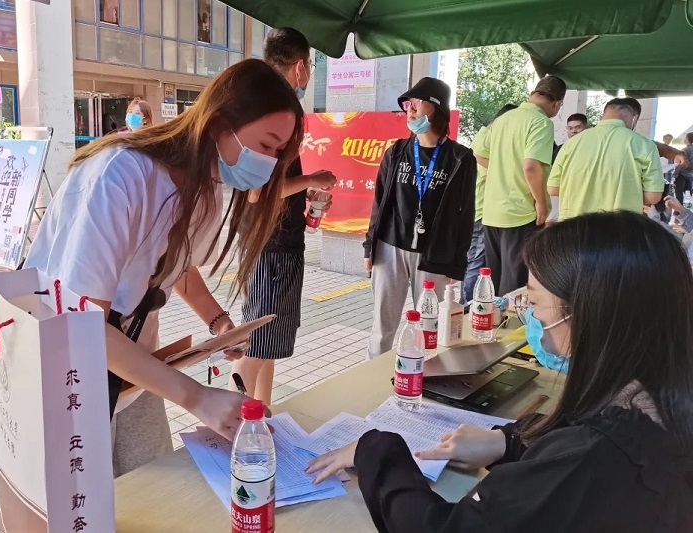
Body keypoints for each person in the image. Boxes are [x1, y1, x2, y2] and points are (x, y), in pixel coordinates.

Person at [307, 211, 693, 531]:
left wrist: (376, 450)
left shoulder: (590, 459)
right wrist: (507, 442)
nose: (530, 315)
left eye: (535, 301)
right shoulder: (660, 403)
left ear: (587, 313)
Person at [24, 59, 304, 477]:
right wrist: (197, 398)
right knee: (86, 498)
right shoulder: (120, 174)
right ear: (219, 124)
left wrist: (219, 323)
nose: (269, 163)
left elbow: (176, 267)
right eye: (267, 145)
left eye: (278, 153)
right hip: (66, 371)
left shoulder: (206, 187)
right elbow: (82, 324)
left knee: (148, 485)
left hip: (134, 367)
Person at [229, 27, 336, 405]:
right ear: (301, 67)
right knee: (258, 344)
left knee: (268, 342)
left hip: (267, 241)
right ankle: (234, 419)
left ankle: (261, 413)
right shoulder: (279, 110)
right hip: (272, 246)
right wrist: (312, 179)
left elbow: (268, 183)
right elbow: (258, 192)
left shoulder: (260, 103)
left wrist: (304, 189)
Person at [363, 77, 476, 359]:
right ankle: (373, 377)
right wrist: (369, 246)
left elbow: (465, 215)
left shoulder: (460, 158)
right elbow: (379, 203)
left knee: (430, 327)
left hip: (434, 254)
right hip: (390, 247)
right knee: (382, 328)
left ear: (435, 108)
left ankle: (425, 377)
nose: (410, 110)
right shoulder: (397, 151)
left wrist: (458, 264)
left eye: (417, 103)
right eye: (408, 104)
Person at [475, 76, 565, 296]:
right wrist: (541, 203)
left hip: (492, 212)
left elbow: (478, 153)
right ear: (557, 104)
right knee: (516, 288)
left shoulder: (504, 119)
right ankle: (510, 320)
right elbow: (531, 166)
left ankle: (490, 317)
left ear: (532, 94)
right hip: (520, 214)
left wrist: (503, 169)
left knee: (492, 283)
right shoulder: (541, 122)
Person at [548, 98, 664, 220]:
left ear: (602, 116)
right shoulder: (644, 145)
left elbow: (553, 189)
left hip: (574, 224)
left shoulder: (570, 144)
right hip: (620, 225)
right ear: (634, 118)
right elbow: (653, 197)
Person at [463, 103, 517, 306]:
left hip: (477, 210)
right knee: (476, 263)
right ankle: (468, 306)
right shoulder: (490, 139)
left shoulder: (484, 135)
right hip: (481, 211)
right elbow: (491, 173)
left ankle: (468, 304)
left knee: (475, 262)